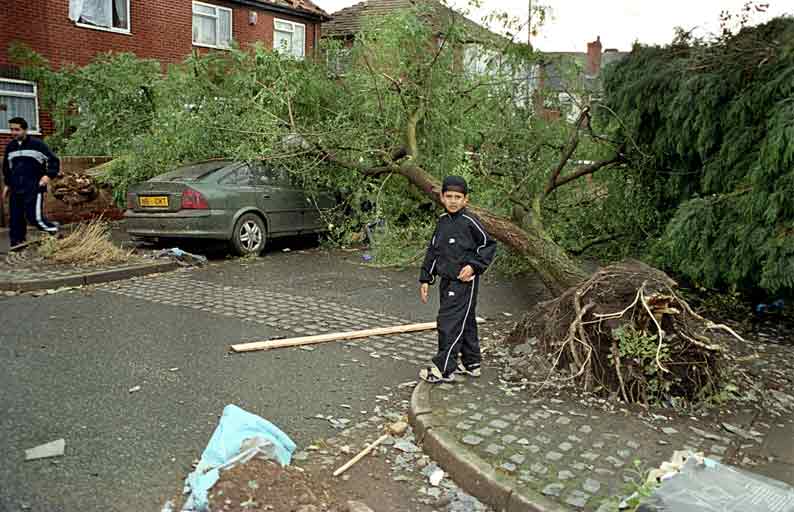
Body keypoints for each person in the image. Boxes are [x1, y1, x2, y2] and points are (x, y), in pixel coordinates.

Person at [418, 176, 497, 383]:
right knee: (465, 320)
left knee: (449, 321)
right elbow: (434, 251)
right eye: (449, 196)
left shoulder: (470, 222)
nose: (453, 201)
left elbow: (488, 245)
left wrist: (474, 266)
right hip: (446, 280)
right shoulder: (443, 222)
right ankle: (472, 363)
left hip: (464, 283)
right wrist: (426, 277)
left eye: (458, 197)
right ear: (442, 198)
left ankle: (443, 368)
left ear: (465, 200)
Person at [2, 117, 60, 247]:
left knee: (34, 217)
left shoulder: (38, 145)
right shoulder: (10, 147)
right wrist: (7, 184)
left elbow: (53, 160)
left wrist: (48, 176)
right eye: (11, 130)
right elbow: (7, 168)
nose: (14, 133)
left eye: (17, 130)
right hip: (16, 188)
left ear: (25, 130)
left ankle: (53, 230)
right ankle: (17, 242)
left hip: (34, 187)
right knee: (15, 218)